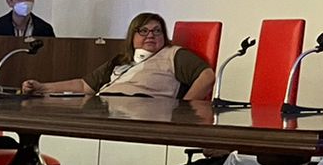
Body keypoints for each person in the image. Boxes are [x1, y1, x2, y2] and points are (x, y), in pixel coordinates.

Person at [21, 12, 214, 100]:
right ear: (132, 36)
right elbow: (84, 86)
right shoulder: (121, 60)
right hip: (104, 109)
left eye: (157, 31)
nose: (151, 35)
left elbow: (207, 76)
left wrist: (183, 110)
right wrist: (42, 87)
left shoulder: (174, 55)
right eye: (144, 31)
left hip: (141, 116)